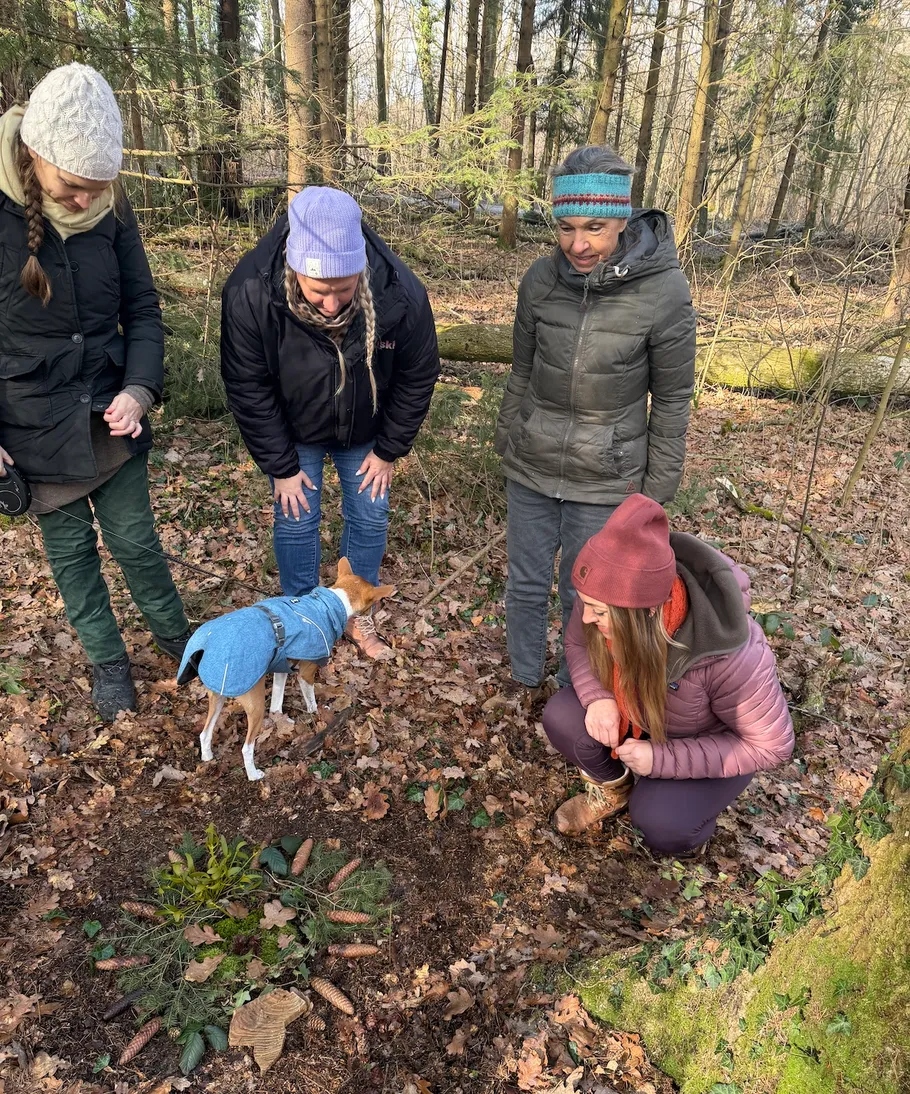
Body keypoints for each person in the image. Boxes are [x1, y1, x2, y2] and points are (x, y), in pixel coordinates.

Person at [0, 64, 190, 720]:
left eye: (97, 189)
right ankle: (108, 662)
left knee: (137, 541)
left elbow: (141, 306)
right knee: (74, 556)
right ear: (34, 154)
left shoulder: (112, 208)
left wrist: (139, 387)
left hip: (110, 416)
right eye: (73, 188)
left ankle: (179, 644)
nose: (86, 202)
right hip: (31, 426)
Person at [495, 145, 696, 690]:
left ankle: (574, 692)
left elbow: (674, 397)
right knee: (527, 583)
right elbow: (521, 369)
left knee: (585, 592)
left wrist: (656, 487)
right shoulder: (539, 281)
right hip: (532, 465)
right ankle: (522, 681)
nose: (578, 245)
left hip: (607, 476)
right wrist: (509, 430)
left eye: (595, 228)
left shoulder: (664, 290)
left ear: (623, 218)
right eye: (565, 228)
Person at [220, 186, 439, 658]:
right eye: (320, 290)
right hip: (292, 429)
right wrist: (279, 465)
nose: (333, 304)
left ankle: (356, 613)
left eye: (344, 289)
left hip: (365, 430)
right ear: (295, 269)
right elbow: (247, 384)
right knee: (297, 517)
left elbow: (418, 375)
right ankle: (303, 617)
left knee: (371, 512)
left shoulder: (399, 290)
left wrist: (388, 450)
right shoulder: (251, 289)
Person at [541, 494, 794, 855]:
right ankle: (614, 791)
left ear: (643, 614)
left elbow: (770, 745)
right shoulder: (603, 590)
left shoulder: (729, 654)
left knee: (662, 823)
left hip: (705, 743)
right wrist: (598, 697)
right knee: (563, 717)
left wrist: (661, 760)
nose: (585, 619)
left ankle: (686, 830)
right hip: (642, 715)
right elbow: (579, 646)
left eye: (597, 612)